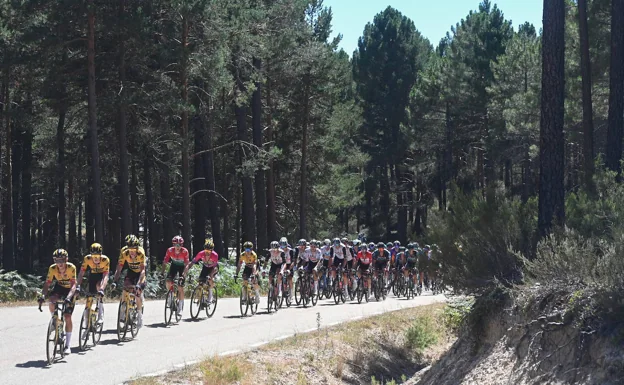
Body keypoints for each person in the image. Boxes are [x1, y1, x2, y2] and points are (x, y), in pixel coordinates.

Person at [39, 249, 77, 355]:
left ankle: (68, 345)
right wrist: (43, 295)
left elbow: (74, 285)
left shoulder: (71, 267)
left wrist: (69, 297)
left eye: (61, 260)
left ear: (66, 260)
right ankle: (54, 320)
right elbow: (47, 283)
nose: (59, 263)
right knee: (51, 301)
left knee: (67, 316)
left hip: (70, 289)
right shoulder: (52, 268)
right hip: (59, 287)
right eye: (57, 260)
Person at [112, 234, 147, 328]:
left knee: (137, 293)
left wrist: (139, 284)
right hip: (131, 272)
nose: (132, 252)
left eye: (134, 250)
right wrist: (115, 281)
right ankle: (123, 310)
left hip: (140, 273)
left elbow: (143, 270)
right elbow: (119, 268)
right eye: (130, 250)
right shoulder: (124, 252)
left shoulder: (141, 252)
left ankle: (140, 316)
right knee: (125, 289)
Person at [76, 243, 110, 324]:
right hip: (93, 275)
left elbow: (106, 276)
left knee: (98, 287)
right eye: (93, 256)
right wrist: (78, 285)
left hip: (101, 276)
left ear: (101, 255)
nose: (95, 258)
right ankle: (87, 321)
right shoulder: (87, 259)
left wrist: (102, 289)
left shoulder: (105, 260)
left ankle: (101, 314)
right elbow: (81, 273)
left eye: (97, 256)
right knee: (89, 297)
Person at [184, 238, 219, 306]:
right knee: (201, 281)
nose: (207, 252)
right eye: (206, 250)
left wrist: (211, 275)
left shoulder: (215, 255)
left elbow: (215, 267)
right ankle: (201, 298)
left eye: (209, 251)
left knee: (210, 279)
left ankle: (210, 296)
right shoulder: (201, 254)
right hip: (205, 267)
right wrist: (187, 268)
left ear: (212, 250)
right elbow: (193, 262)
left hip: (213, 268)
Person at [161, 235, 190, 317]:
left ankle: (180, 308)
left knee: (180, 287)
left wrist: (183, 275)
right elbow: (165, 262)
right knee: (168, 281)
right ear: (173, 245)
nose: (178, 247)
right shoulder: (169, 250)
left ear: (182, 245)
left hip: (182, 267)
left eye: (180, 245)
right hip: (173, 266)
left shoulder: (185, 251)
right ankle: (170, 295)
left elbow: (187, 265)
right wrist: (162, 273)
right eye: (176, 245)